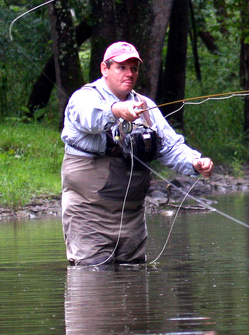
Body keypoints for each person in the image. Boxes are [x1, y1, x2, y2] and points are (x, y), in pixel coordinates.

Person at [60, 41, 213, 265]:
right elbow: (89, 117)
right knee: (93, 278)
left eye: (134, 68)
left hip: (132, 218)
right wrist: (116, 111)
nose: (129, 73)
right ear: (105, 69)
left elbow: (170, 147)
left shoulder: (145, 106)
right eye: (122, 67)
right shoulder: (83, 98)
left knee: (134, 283)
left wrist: (195, 162)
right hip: (88, 215)